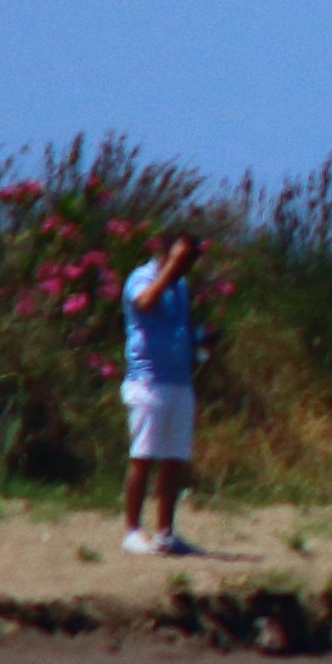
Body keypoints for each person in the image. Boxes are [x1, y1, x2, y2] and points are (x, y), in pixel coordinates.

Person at [118, 228, 207, 556]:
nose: (186, 267)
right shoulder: (141, 277)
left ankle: (165, 531)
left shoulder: (181, 286)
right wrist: (169, 268)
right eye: (183, 259)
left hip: (179, 380)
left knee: (174, 459)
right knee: (143, 456)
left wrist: (201, 342)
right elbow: (144, 303)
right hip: (148, 381)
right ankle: (132, 530)